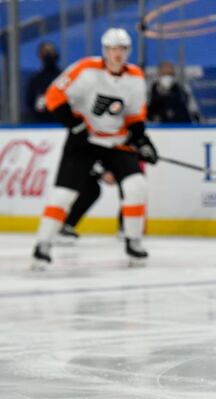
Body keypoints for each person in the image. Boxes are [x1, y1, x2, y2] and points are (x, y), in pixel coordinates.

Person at [31, 28, 158, 269]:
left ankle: (133, 242)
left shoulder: (135, 77)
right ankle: (43, 245)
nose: (117, 54)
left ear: (128, 51)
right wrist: (74, 125)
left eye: (121, 49)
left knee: (136, 186)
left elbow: (134, 116)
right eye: (112, 49)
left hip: (116, 143)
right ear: (105, 51)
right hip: (84, 142)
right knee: (64, 194)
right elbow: (53, 96)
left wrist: (142, 141)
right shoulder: (85, 69)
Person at [25, 42, 61, 123]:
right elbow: (30, 103)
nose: (49, 55)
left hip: (61, 123)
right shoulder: (35, 80)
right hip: (40, 124)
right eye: (46, 52)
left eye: (51, 52)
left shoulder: (63, 77)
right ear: (40, 55)